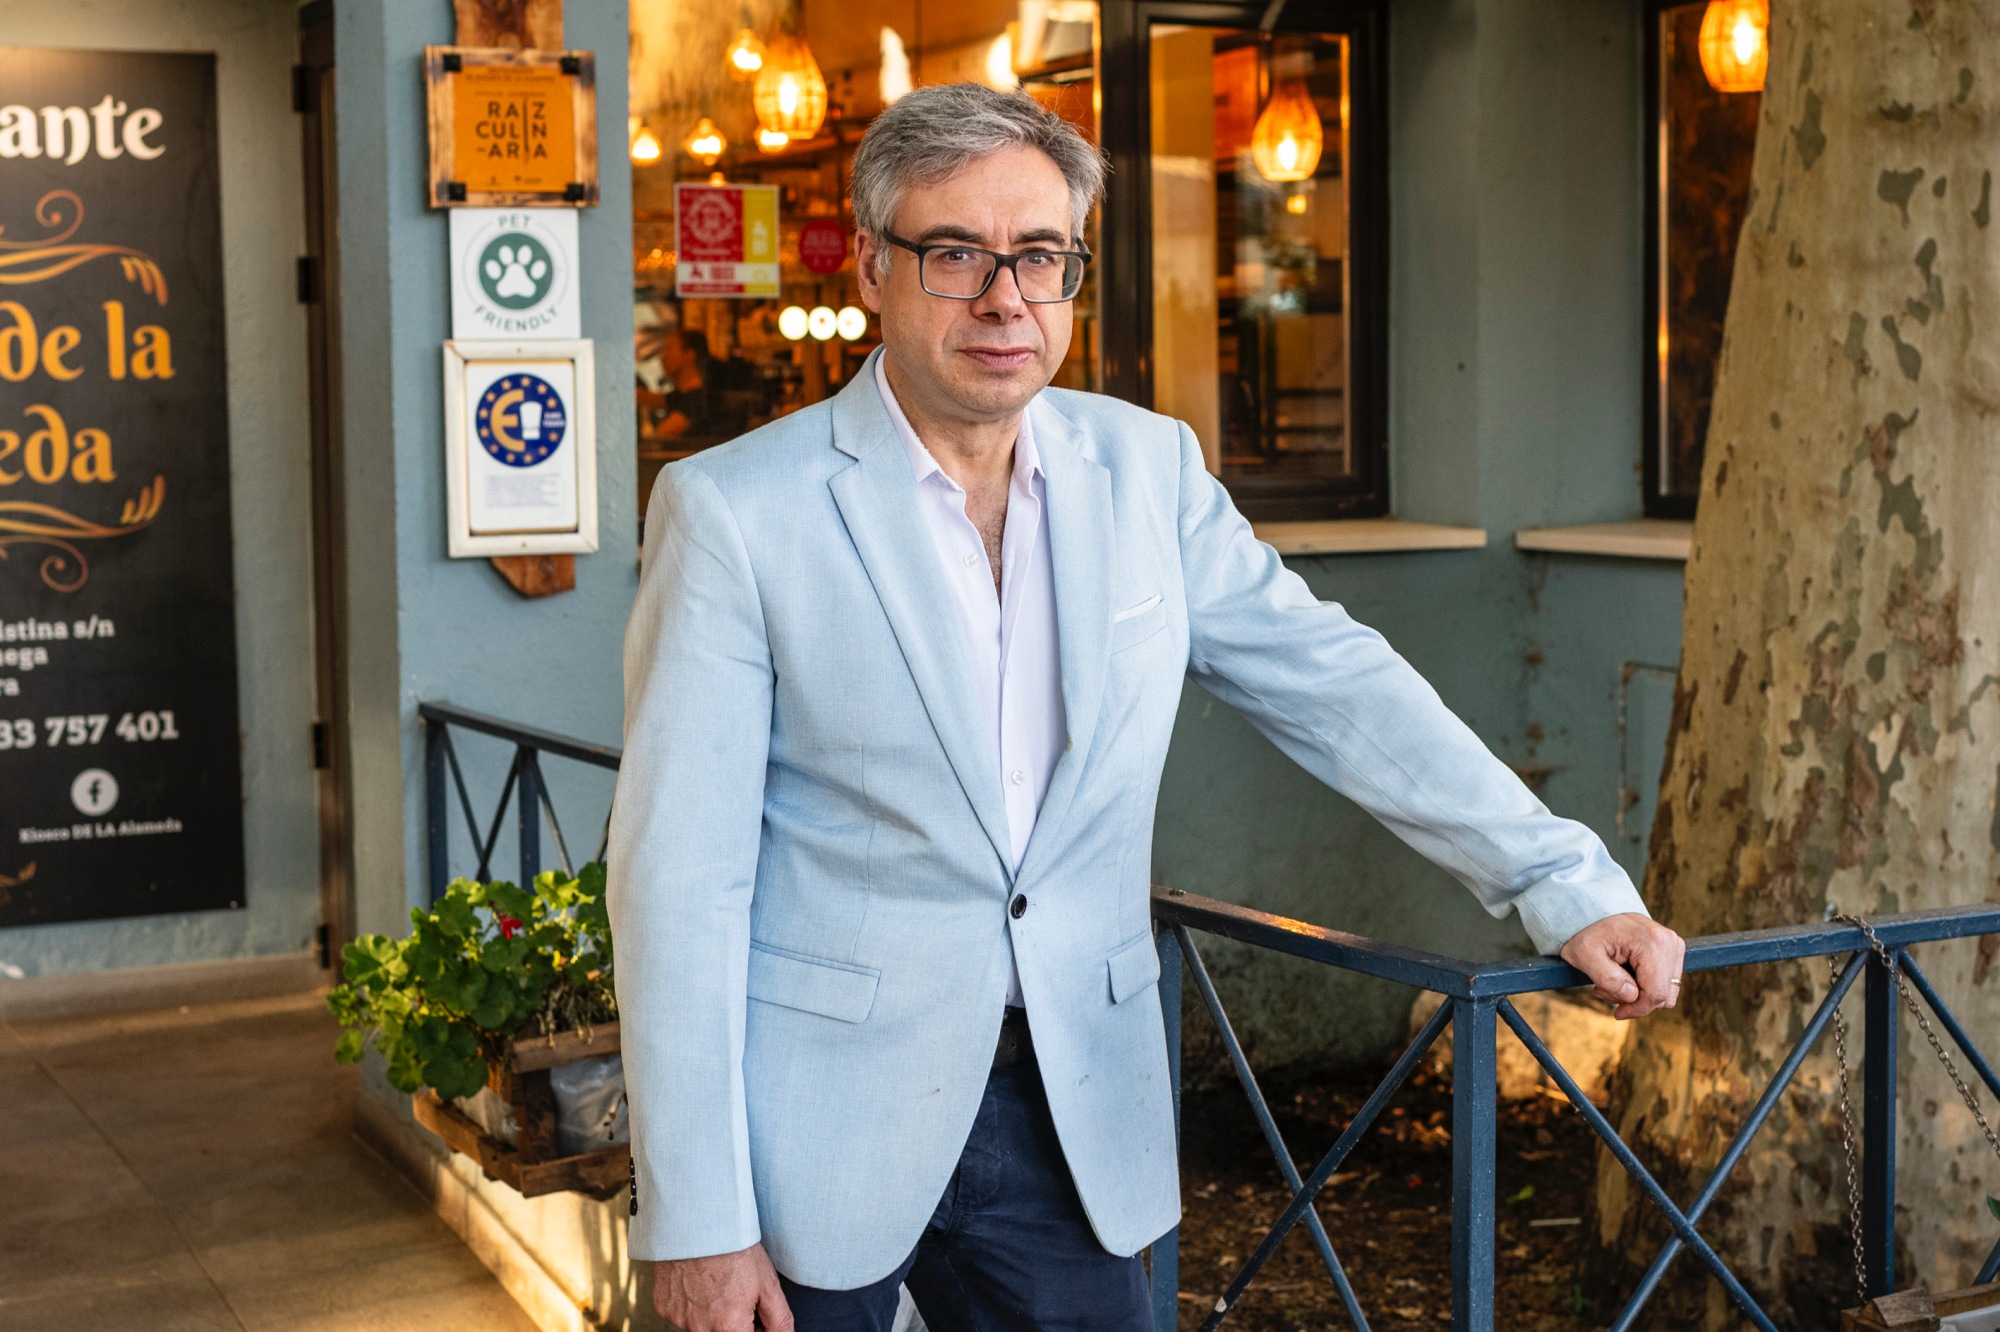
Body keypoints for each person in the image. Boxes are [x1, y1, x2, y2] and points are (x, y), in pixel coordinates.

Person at [607, 83, 1686, 1332]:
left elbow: (1334, 686)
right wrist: (695, 1214)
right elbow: (676, 880)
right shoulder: (735, 510)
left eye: (1041, 257)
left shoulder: (1146, 468)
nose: (1003, 298)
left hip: (1071, 1107)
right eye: (954, 254)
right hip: (812, 1128)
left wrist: (1562, 878)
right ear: (873, 268)